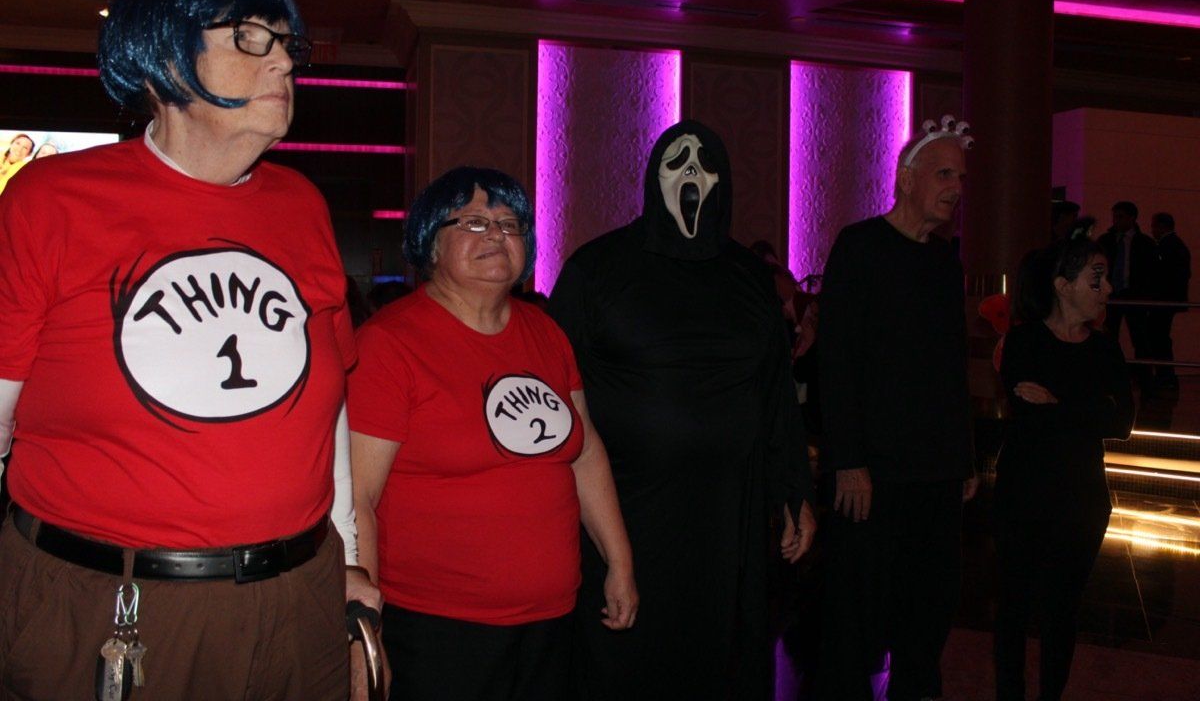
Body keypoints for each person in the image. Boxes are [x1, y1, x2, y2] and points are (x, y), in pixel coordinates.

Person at [0, 0, 380, 700]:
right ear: (165, 58)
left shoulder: (300, 203)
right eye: (249, 36)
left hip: (297, 595)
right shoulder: (52, 198)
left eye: (286, 41)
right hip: (115, 604)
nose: (283, 62)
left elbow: (324, 408)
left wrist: (346, 559)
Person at [547, 119, 816, 701]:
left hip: (726, 518)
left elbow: (775, 394)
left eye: (705, 161)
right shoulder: (597, 269)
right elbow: (555, 394)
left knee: (716, 658)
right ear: (653, 177)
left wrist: (793, 491)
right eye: (678, 160)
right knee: (624, 661)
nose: (692, 170)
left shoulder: (749, 275)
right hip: (624, 512)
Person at [348, 166, 637, 701]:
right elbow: (357, 497)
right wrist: (364, 624)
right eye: (475, 222)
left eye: (510, 224)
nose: (497, 235)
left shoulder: (546, 332)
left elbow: (585, 453)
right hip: (438, 628)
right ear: (431, 243)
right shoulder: (389, 344)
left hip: (551, 619)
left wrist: (619, 562)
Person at [817, 115, 977, 701]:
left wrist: (964, 457)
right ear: (906, 179)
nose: (955, 188)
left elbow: (952, 368)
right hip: (873, 473)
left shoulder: (946, 262)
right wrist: (848, 461)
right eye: (943, 174)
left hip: (936, 471)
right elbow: (837, 362)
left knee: (928, 609)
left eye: (960, 177)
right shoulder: (859, 247)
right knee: (856, 612)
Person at [994, 237, 1134, 701]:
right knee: (1013, 607)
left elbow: (1122, 422)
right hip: (1023, 493)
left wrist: (1057, 402)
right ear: (1063, 285)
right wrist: (1086, 409)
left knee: (1063, 610)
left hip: (1083, 500)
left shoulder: (1105, 349)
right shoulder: (1024, 341)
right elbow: (1030, 412)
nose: (1108, 288)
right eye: (1097, 278)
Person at [1097, 201, 1156, 383]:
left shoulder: (1145, 243)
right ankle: (1110, 376)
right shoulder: (1106, 241)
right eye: (1114, 217)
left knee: (1140, 338)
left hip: (1134, 294)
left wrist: (1146, 293)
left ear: (1132, 218)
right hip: (1112, 294)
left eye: (1120, 217)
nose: (1116, 221)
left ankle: (1145, 380)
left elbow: (1151, 271)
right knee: (1109, 336)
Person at [1147, 212, 1191, 393]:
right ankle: (1165, 375)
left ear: (1161, 226)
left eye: (1154, 226)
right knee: (1160, 337)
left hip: (1163, 300)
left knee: (1159, 337)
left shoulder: (1167, 246)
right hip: (1169, 300)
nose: (1152, 230)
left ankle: (1165, 375)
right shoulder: (1176, 245)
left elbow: (1163, 275)